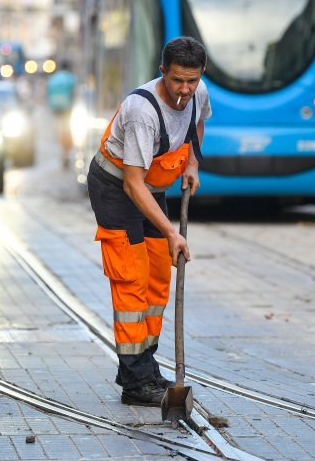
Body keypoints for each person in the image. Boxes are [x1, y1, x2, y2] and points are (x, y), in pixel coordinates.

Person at [87, 36, 211, 406]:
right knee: (132, 278)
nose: (184, 89)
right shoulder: (142, 110)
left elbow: (197, 125)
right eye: (177, 81)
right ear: (162, 73)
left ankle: (145, 365)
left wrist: (192, 163)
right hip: (117, 187)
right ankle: (135, 379)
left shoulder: (197, 92)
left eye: (192, 80)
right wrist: (172, 232)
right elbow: (132, 184)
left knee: (159, 273)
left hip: (151, 187)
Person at [46, 60, 76, 168]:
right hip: (67, 109)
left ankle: (63, 152)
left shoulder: (53, 78)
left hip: (56, 109)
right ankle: (66, 153)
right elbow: (74, 93)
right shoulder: (70, 78)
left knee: (60, 130)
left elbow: (48, 93)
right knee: (68, 130)